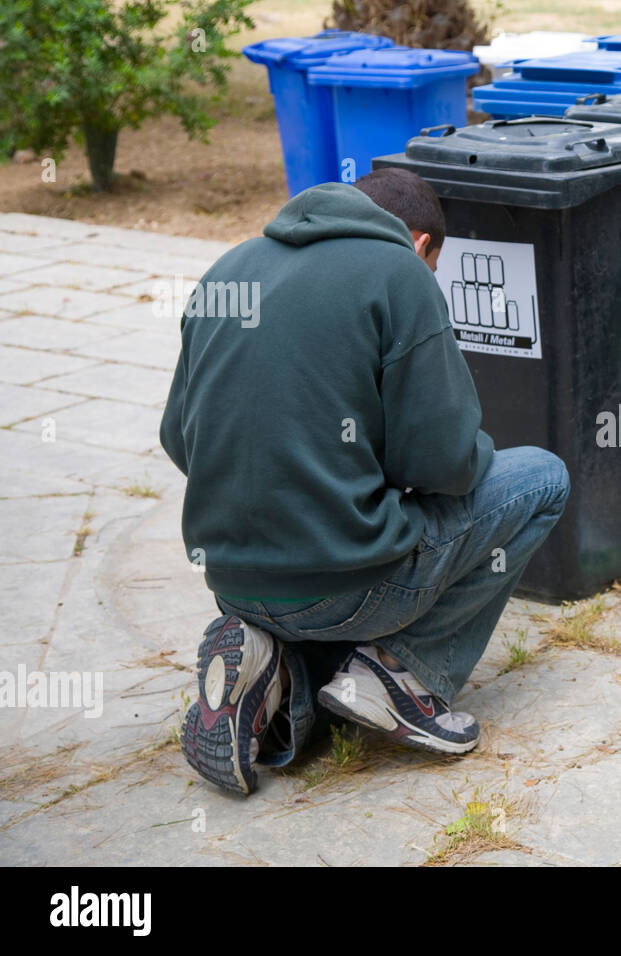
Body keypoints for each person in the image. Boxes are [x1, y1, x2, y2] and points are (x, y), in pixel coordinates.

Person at [160, 168, 570, 796]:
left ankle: (270, 672)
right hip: (349, 589)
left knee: (326, 591)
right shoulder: (399, 272)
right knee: (543, 476)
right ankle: (402, 676)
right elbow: (447, 466)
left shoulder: (229, 267)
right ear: (420, 242)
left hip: (233, 581)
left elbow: (179, 439)